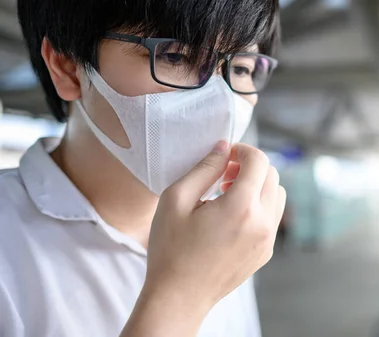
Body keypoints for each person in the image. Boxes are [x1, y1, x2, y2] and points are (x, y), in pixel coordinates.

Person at [0, 1, 285, 336]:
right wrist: (183, 294)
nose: (222, 101)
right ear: (67, 67)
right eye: (175, 56)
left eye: (241, 68)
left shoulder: (228, 229)